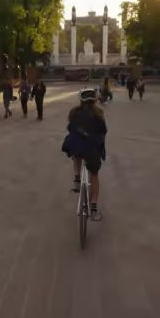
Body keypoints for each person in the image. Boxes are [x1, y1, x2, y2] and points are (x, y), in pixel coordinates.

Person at [61, 88, 107, 220]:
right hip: (92, 149)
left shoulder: (74, 112)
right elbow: (103, 131)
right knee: (94, 175)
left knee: (76, 152)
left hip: (76, 146)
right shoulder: (99, 114)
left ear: (81, 99)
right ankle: (93, 209)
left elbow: (70, 128)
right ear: (94, 99)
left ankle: (76, 179)